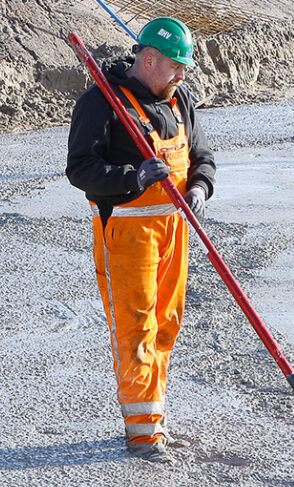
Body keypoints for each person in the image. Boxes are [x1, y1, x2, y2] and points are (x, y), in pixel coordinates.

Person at [66, 17, 216, 462]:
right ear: (148, 60)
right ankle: (143, 433)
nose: (182, 76)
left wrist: (199, 188)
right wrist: (134, 176)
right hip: (127, 234)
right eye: (175, 66)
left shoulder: (179, 99)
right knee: (136, 329)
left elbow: (203, 156)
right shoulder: (101, 103)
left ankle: (156, 417)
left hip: (174, 231)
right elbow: (80, 169)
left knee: (167, 324)